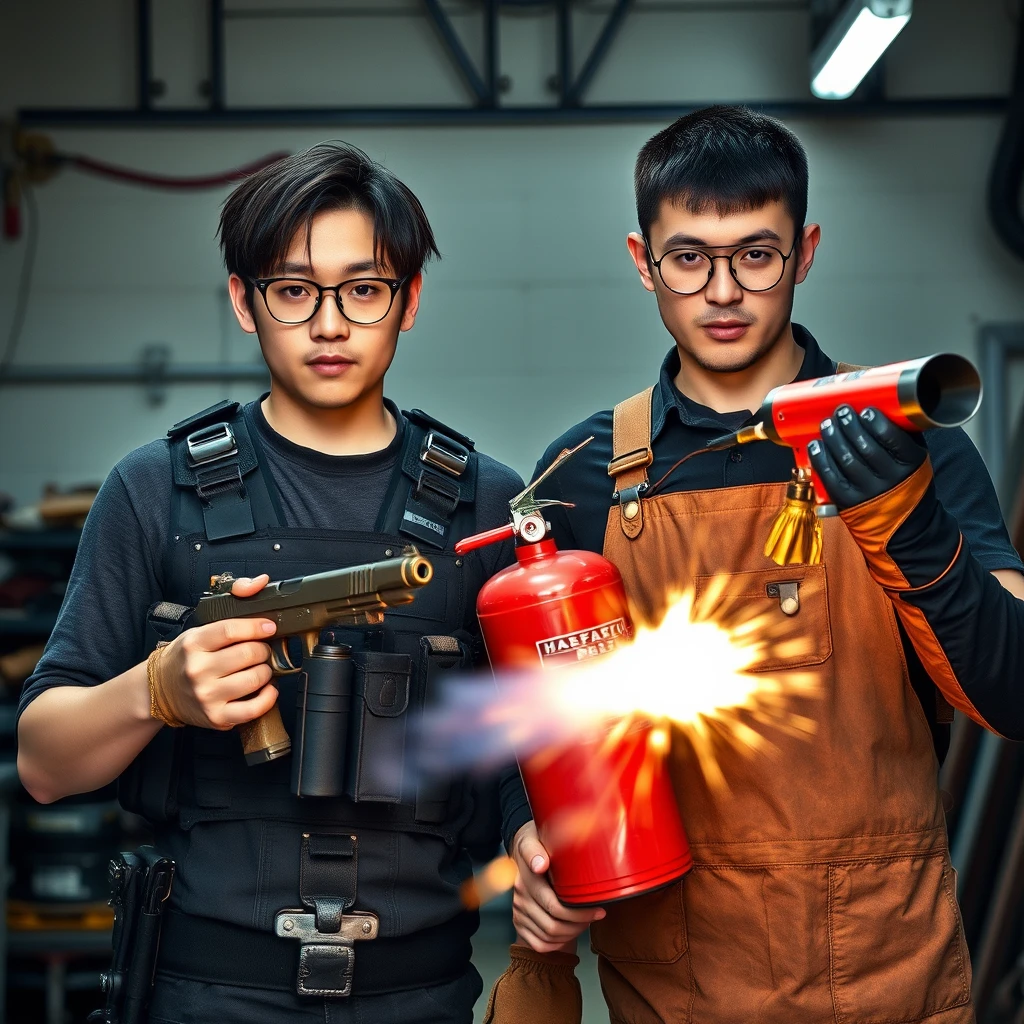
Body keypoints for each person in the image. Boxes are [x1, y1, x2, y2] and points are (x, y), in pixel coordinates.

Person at [488, 106, 1024, 1024]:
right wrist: (525, 836)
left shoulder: (904, 446)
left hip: (887, 965)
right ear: (641, 258)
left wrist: (910, 524)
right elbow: (522, 720)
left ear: (805, 250)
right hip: (677, 969)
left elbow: (1013, 690)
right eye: (690, 257)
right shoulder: (580, 474)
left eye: (757, 254)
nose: (724, 291)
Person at [17, 142, 523, 1024]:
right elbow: (43, 764)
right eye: (293, 290)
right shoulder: (153, 490)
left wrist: (541, 841)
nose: (329, 324)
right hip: (202, 992)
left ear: (408, 301)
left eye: (364, 289)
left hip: (423, 993)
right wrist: (156, 691)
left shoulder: (487, 504)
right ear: (244, 302)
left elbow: (533, 759)